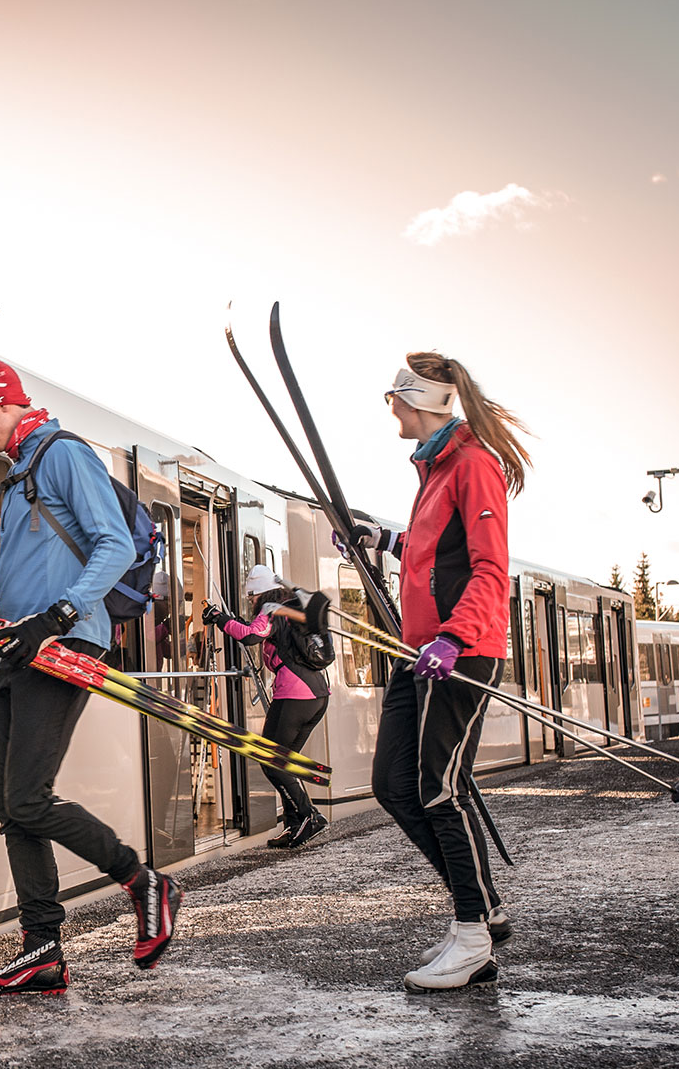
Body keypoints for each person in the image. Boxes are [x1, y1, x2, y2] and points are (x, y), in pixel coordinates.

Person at [0, 358, 183, 995]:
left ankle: (144, 881)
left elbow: (114, 544)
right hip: (25, 650)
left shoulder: (61, 454)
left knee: (27, 797)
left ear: (1, 403)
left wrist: (57, 613)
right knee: (11, 806)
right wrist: (6, 639)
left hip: (65, 645)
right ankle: (43, 950)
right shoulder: (21, 468)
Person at [348, 351, 530, 993]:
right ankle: (478, 908)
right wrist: (381, 540)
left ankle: (475, 934)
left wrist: (455, 636)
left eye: (392, 398)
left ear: (415, 401)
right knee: (394, 785)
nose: (389, 410)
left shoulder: (472, 464)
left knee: (438, 789)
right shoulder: (433, 470)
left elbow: (488, 570)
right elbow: (433, 554)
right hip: (418, 648)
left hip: (458, 650)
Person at [203, 566, 331, 849]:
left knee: (270, 759)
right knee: (284, 761)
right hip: (317, 694)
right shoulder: (288, 611)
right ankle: (295, 825)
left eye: (252, 597)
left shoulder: (272, 609)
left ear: (260, 593)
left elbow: (251, 635)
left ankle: (310, 816)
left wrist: (219, 618)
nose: (251, 602)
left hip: (296, 695)